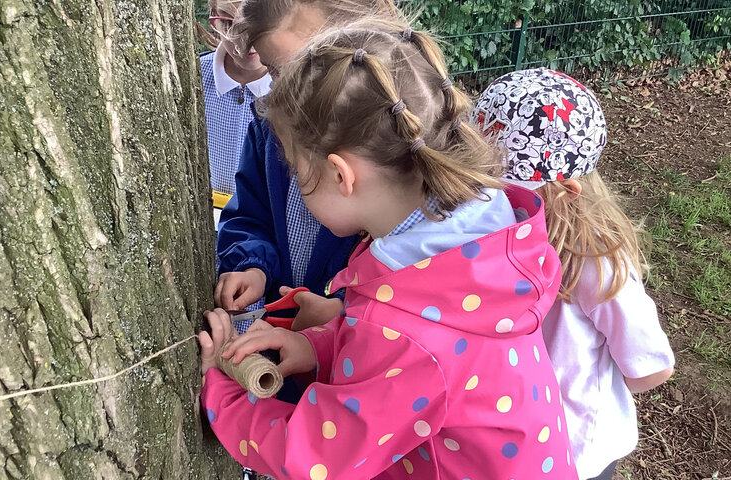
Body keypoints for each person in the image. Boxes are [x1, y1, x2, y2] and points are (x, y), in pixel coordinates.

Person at [199, 25, 578, 479]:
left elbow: (317, 456)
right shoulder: (474, 243)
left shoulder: (403, 328)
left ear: (341, 176)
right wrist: (318, 347)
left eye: (299, 175)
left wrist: (221, 390)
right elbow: (418, 365)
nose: (298, 188)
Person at [473, 67, 675, 480]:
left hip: (573, 453)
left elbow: (652, 364)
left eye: (506, 192)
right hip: (528, 441)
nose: (489, 202)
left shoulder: (595, 261)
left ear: (566, 191)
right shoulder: (495, 235)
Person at [213, 0, 402, 332]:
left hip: (351, 358)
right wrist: (253, 266)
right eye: (274, 70)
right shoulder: (271, 127)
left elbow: (411, 295)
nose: (283, 91)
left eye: (304, 68)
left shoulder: (398, 151)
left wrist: (343, 318)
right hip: (280, 339)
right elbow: (250, 214)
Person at [199, 0, 271, 229]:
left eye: (257, 23)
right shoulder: (194, 76)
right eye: (230, 24)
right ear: (214, 20)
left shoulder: (297, 92)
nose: (245, 39)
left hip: (261, 233)